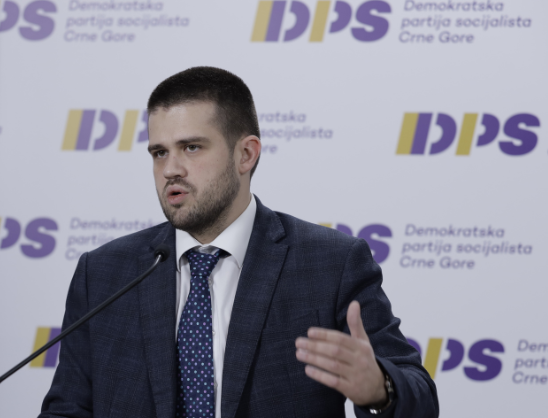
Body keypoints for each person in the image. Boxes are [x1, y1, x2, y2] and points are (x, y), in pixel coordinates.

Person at [40, 67, 438, 418]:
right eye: (159, 153)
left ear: (246, 154)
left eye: (191, 147)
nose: (171, 169)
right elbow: (67, 409)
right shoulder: (105, 273)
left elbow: (420, 397)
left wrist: (381, 389)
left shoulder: (331, 263)